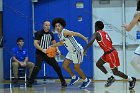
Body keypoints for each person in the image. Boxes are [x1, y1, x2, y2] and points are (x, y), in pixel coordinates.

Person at [84, 21, 136, 90]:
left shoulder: (96, 33)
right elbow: (110, 42)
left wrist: (85, 50)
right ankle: (110, 77)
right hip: (107, 53)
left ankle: (131, 79)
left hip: (111, 53)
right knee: (98, 64)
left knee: (115, 72)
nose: (94, 27)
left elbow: (91, 42)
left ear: (96, 26)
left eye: (95, 26)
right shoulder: (104, 33)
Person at [51, 18, 91, 89]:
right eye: (56, 26)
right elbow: (61, 43)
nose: (57, 27)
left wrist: (85, 38)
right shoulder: (59, 34)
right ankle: (74, 77)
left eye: (59, 26)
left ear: (62, 26)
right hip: (71, 51)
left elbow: (76, 33)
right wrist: (52, 46)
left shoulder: (65, 32)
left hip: (77, 50)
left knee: (76, 67)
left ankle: (86, 80)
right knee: (64, 65)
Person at [27, 21, 67, 87]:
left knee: (56, 66)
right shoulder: (39, 33)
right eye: (46, 25)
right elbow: (35, 44)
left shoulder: (51, 34)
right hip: (40, 53)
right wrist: (43, 50)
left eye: (49, 25)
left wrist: (58, 50)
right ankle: (30, 82)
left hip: (48, 53)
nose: (48, 27)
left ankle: (63, 81)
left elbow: (54, 43)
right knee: (37, 67)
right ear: (43, 26)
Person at [122, 0, 140, 73]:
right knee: (134, 61)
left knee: (133, 61)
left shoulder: (138, 13)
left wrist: (126, 25)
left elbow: (129, 28)